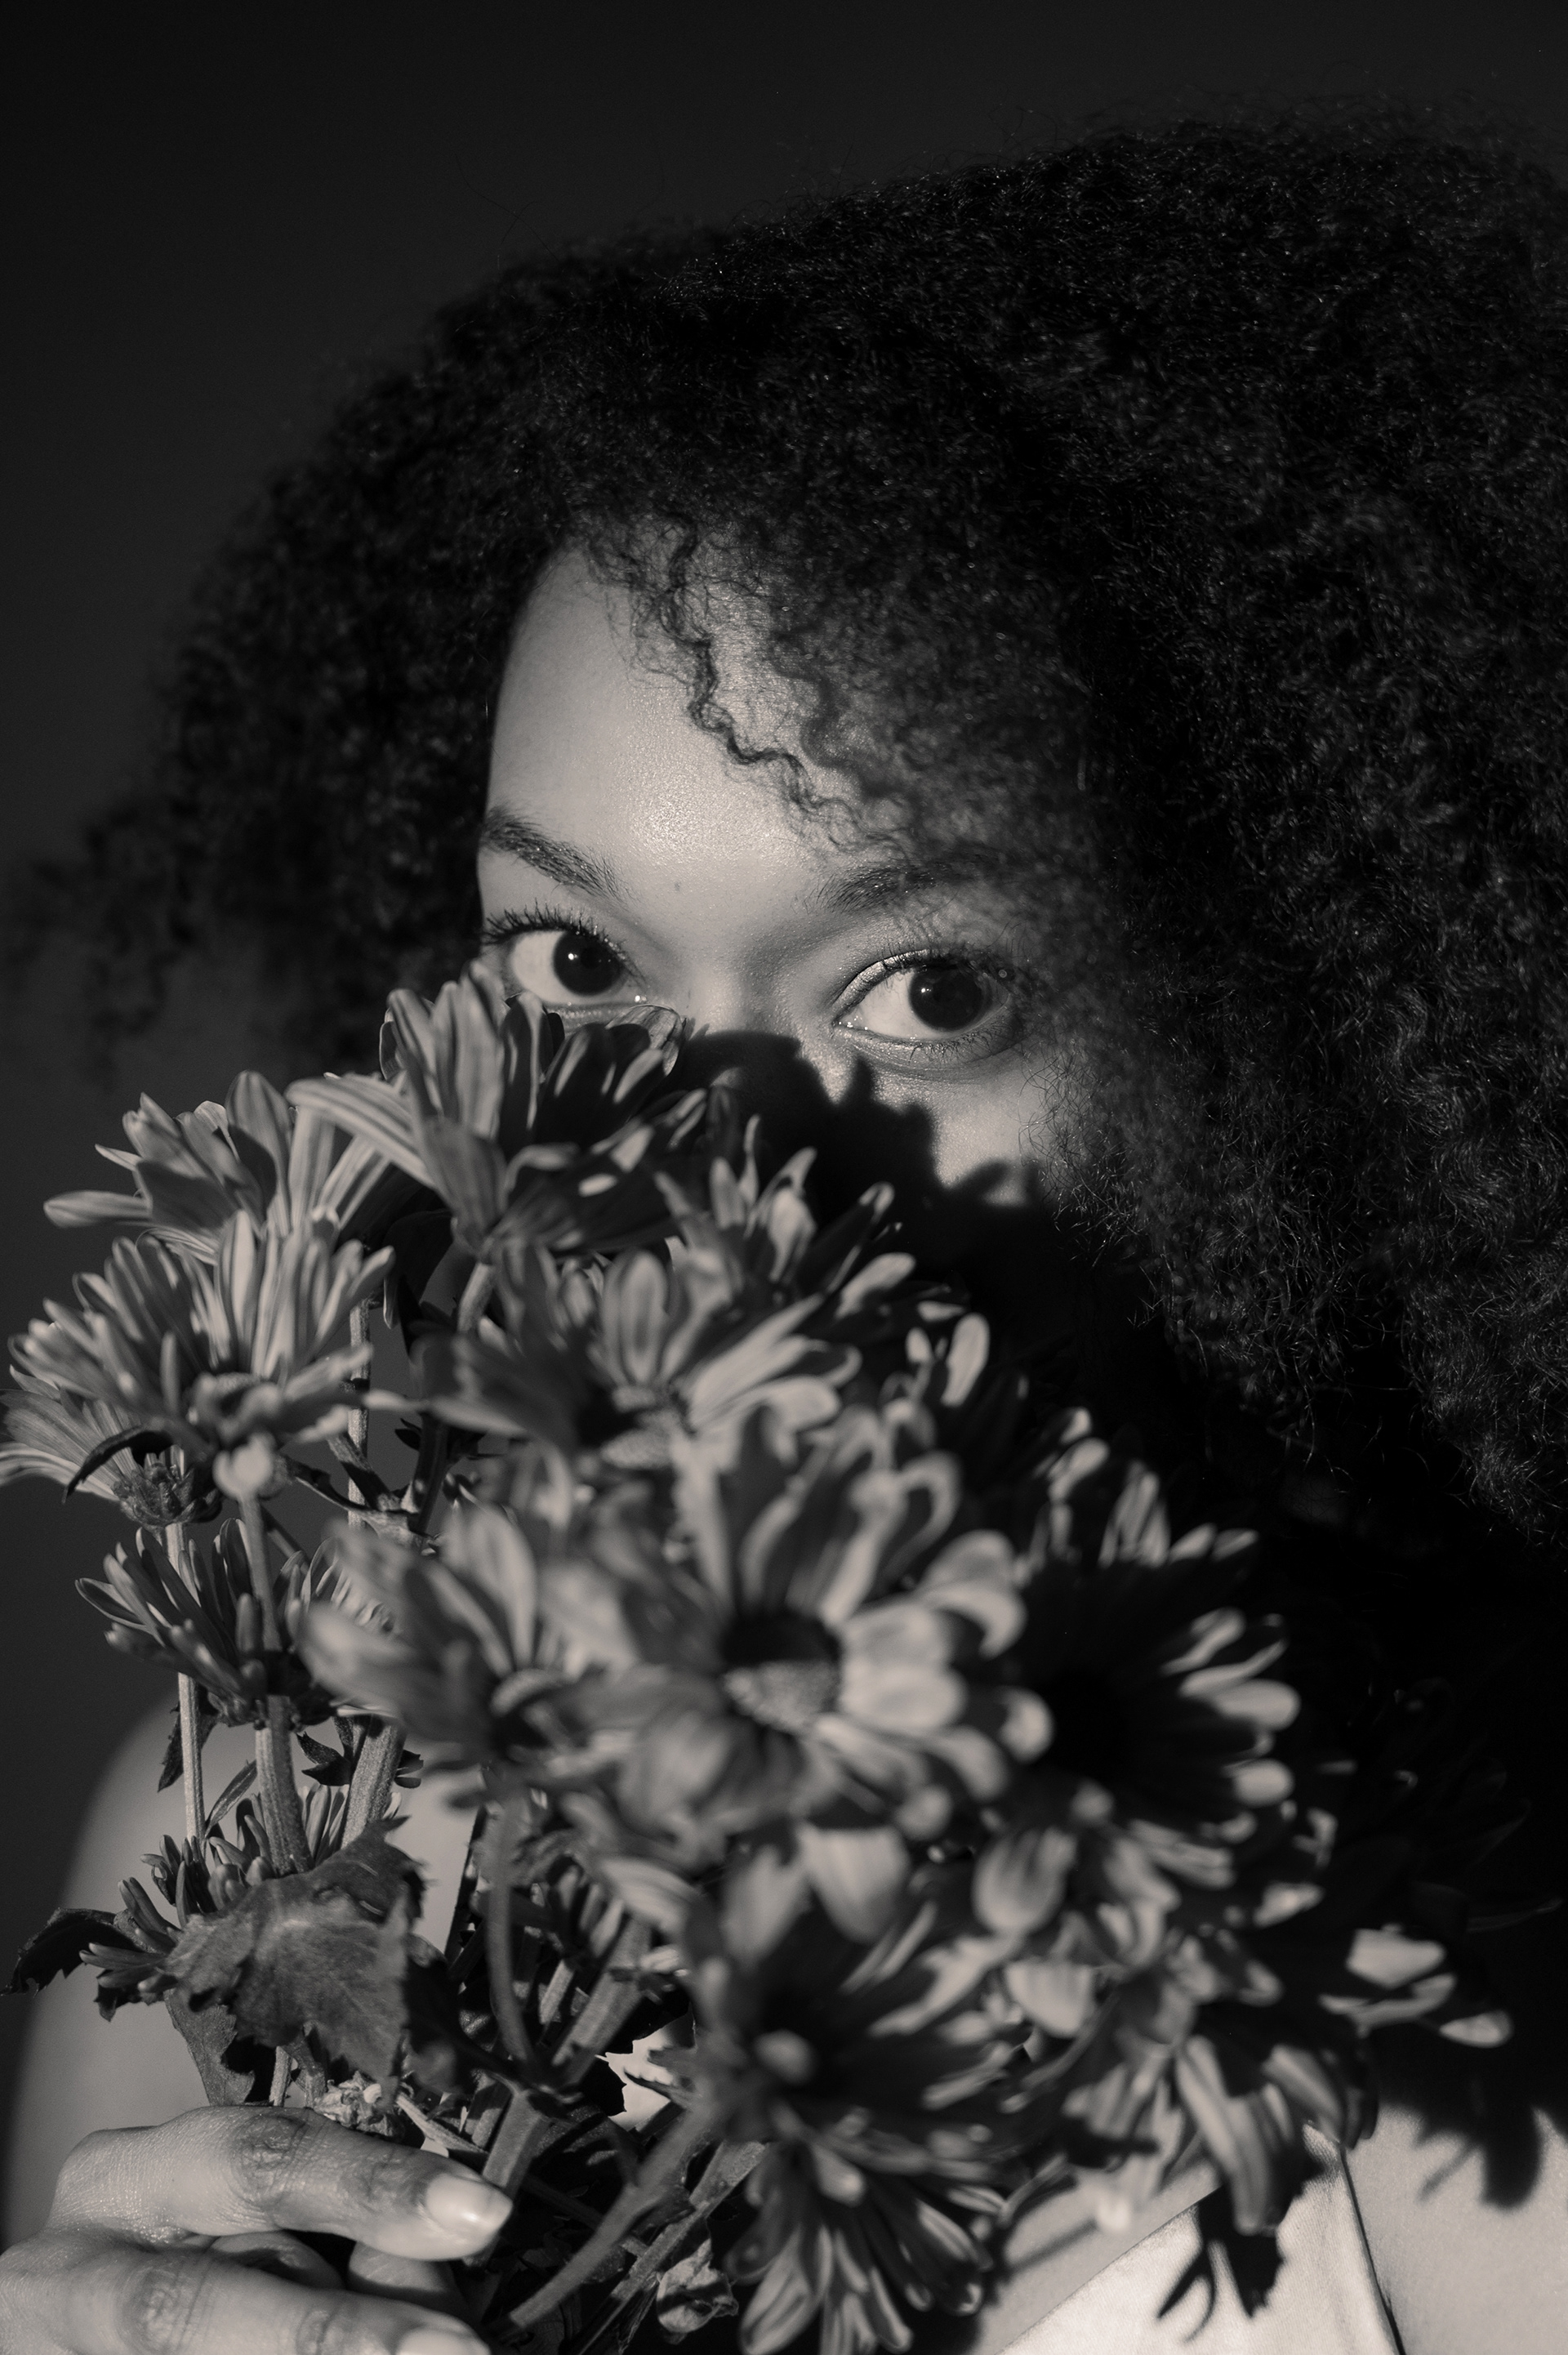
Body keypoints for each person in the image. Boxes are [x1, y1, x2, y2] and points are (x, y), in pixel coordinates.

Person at [4, 105, 1567, 2353]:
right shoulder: (246, 1839)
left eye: (928, 991)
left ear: (1284, 1018)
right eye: (578, 965)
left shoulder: (1459, 2003)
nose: (707, 1160)